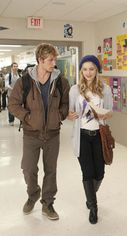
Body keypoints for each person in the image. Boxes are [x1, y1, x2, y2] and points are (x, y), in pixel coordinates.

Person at [8, 43, 70, 220]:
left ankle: (48, 203)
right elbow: (13, 104)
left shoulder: (61, 81)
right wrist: (27, 117)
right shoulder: (24, 81)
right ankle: (33, 193)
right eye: (50, 60)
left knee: (51, 170)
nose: (53, 63)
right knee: (28, 168)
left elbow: (65, 104)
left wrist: (59, 115)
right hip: (31, 134)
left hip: (52, 134)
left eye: (54, 59)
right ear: (40, 60)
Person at [68, 55, 113, 224]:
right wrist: (70, 115)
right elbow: (70, 113)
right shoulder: (74, 90)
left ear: (97, 71)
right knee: (87, 172)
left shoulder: (105, 89)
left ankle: (90, 195)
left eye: (91, 69)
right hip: (82, 136)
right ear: (81, 70)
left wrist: (103, 112)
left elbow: (110, 112)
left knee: (99, 173)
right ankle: (93, 207)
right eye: (85, 69)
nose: (88, 72)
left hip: (98, 137)